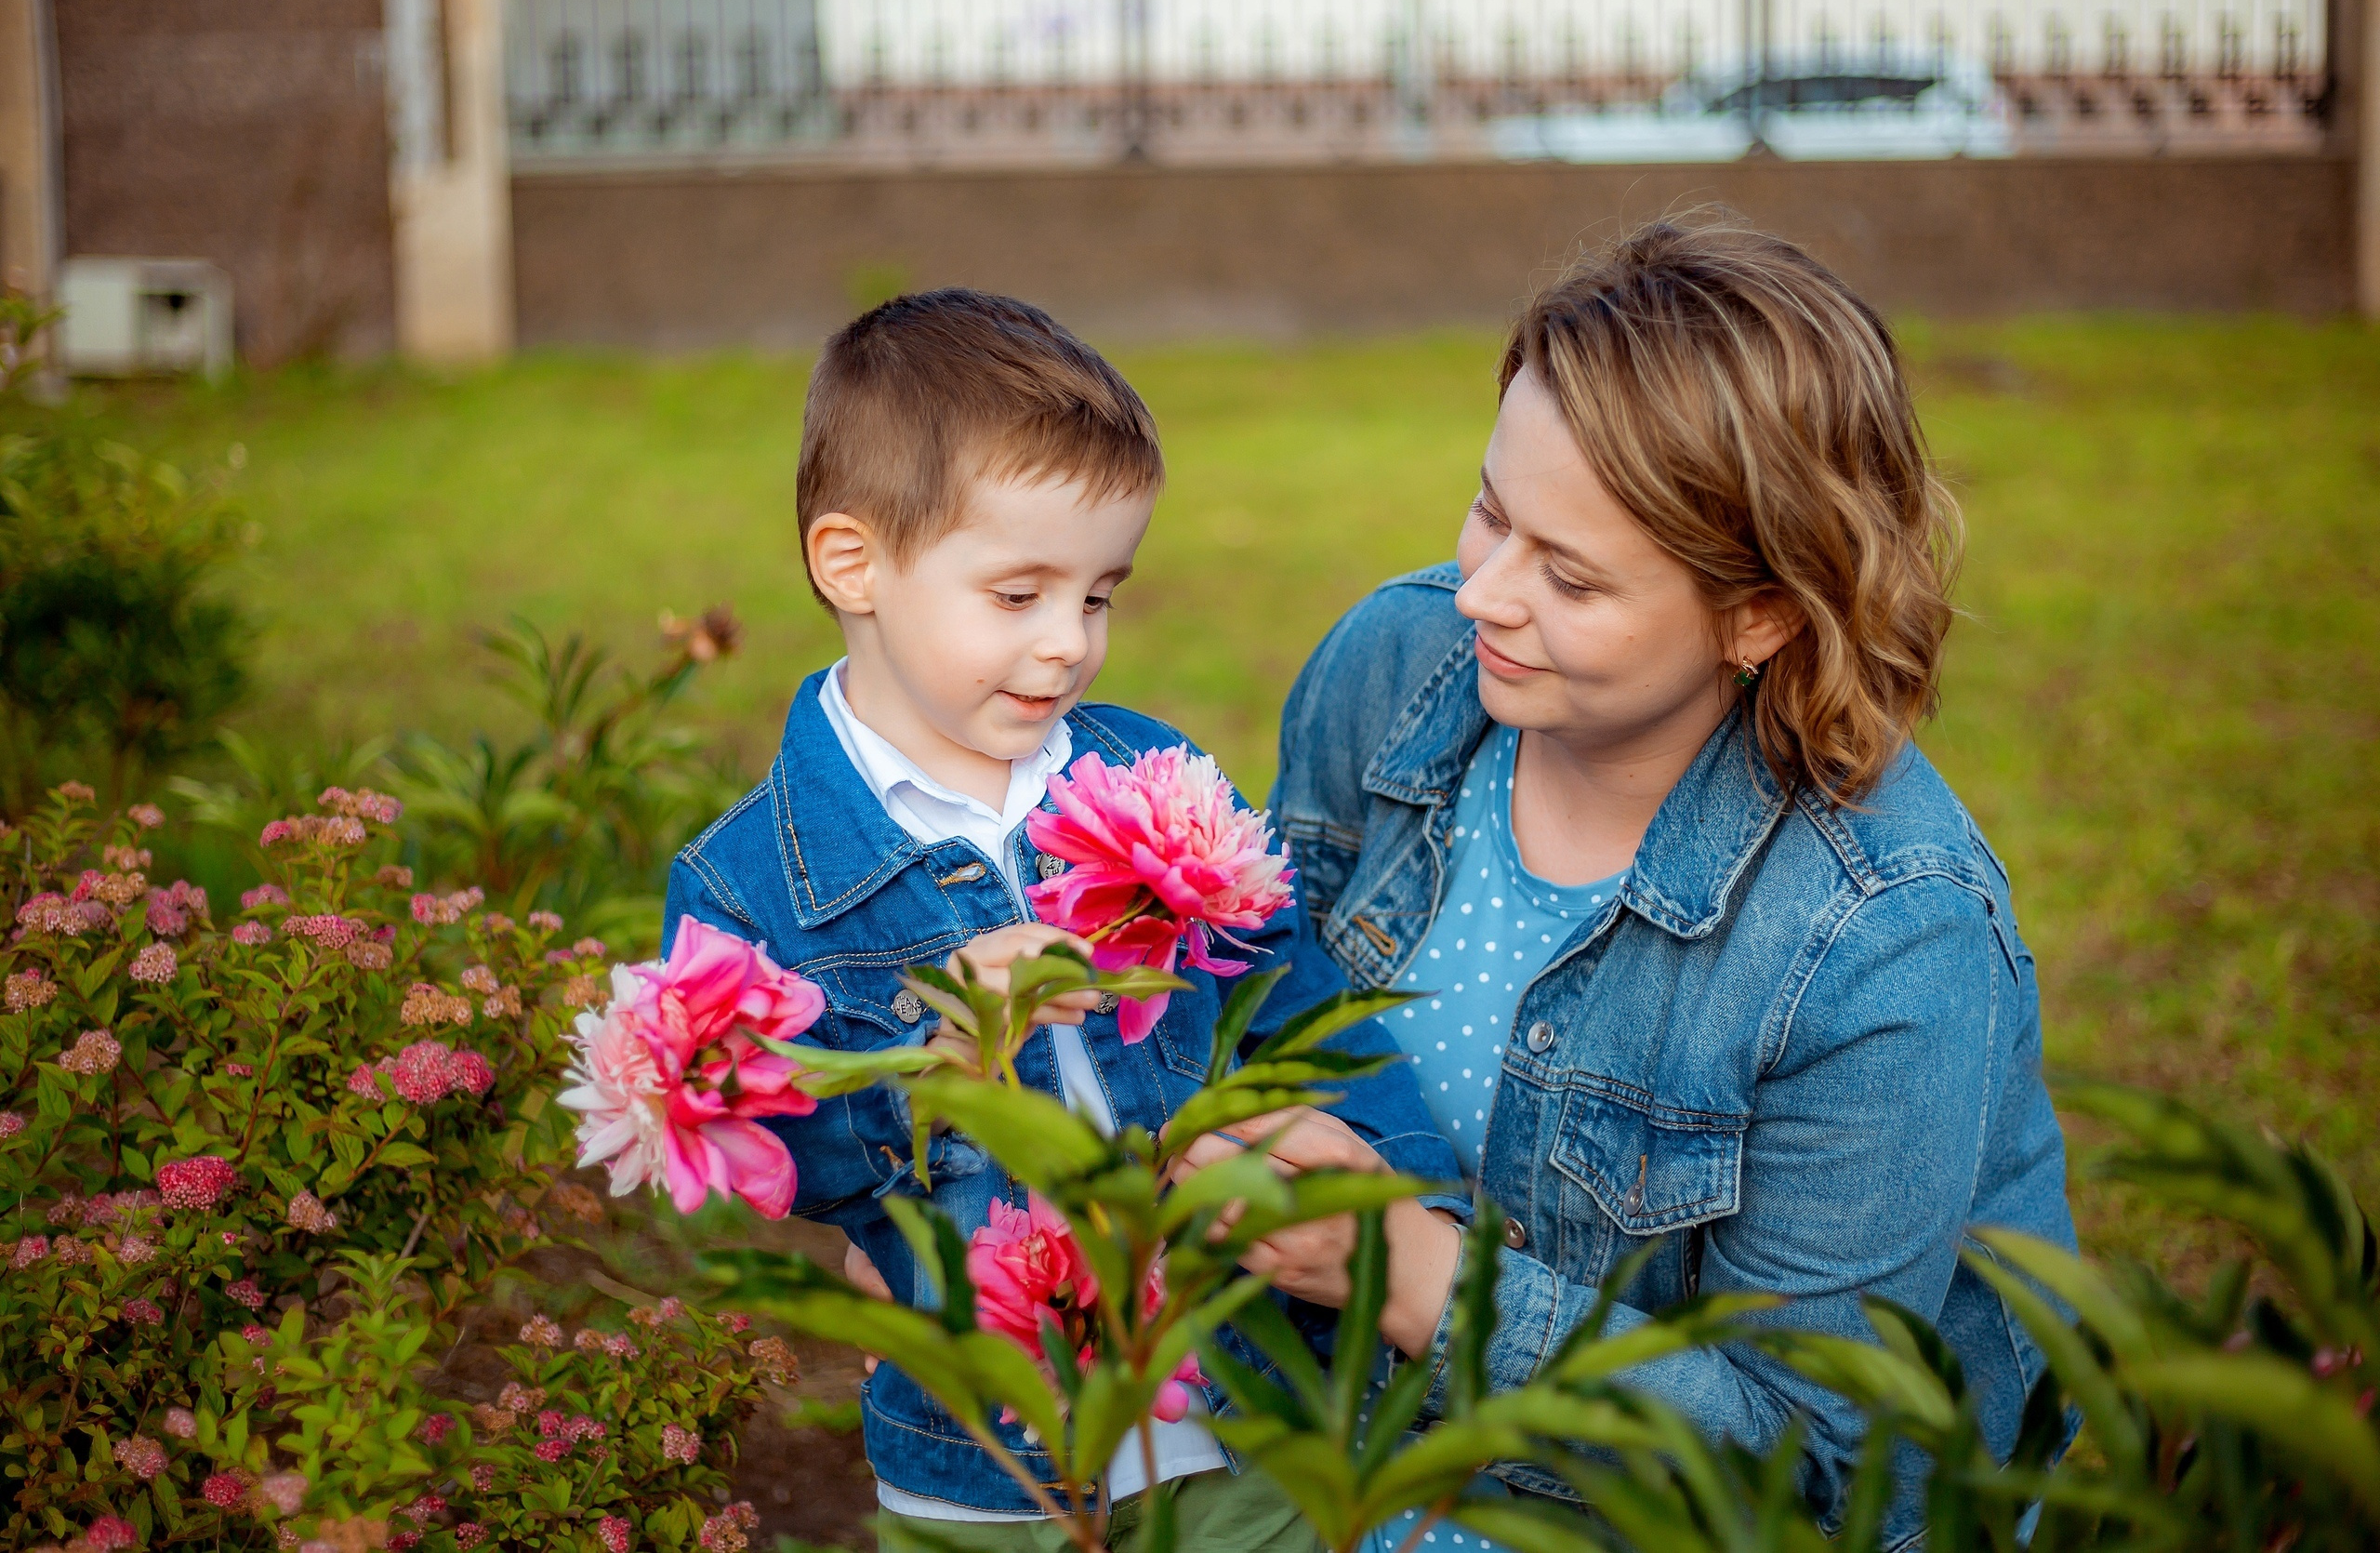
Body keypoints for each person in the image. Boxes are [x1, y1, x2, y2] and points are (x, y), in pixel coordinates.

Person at [1170, 220, 2077, 1548]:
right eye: (1493, 510)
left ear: (1762, 612)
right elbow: (1253, 993)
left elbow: (1806, 1468)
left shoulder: (1887, 939)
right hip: (1355, 1454)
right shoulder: (1393, 668)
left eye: (1573, 576)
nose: (1482, 594)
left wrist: (1410, 1276)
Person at [660, 288, 1464, 1549]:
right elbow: (773, 1159)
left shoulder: (1151, 782)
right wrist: (940, 1047)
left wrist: (1413, 1194)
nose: (1068, 647)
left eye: (1097, 597)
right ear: (852, 564)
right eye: (1018, 595)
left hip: (1244, 1411)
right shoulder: (747, 884)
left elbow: (1302, 1009)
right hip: (994, 1475)